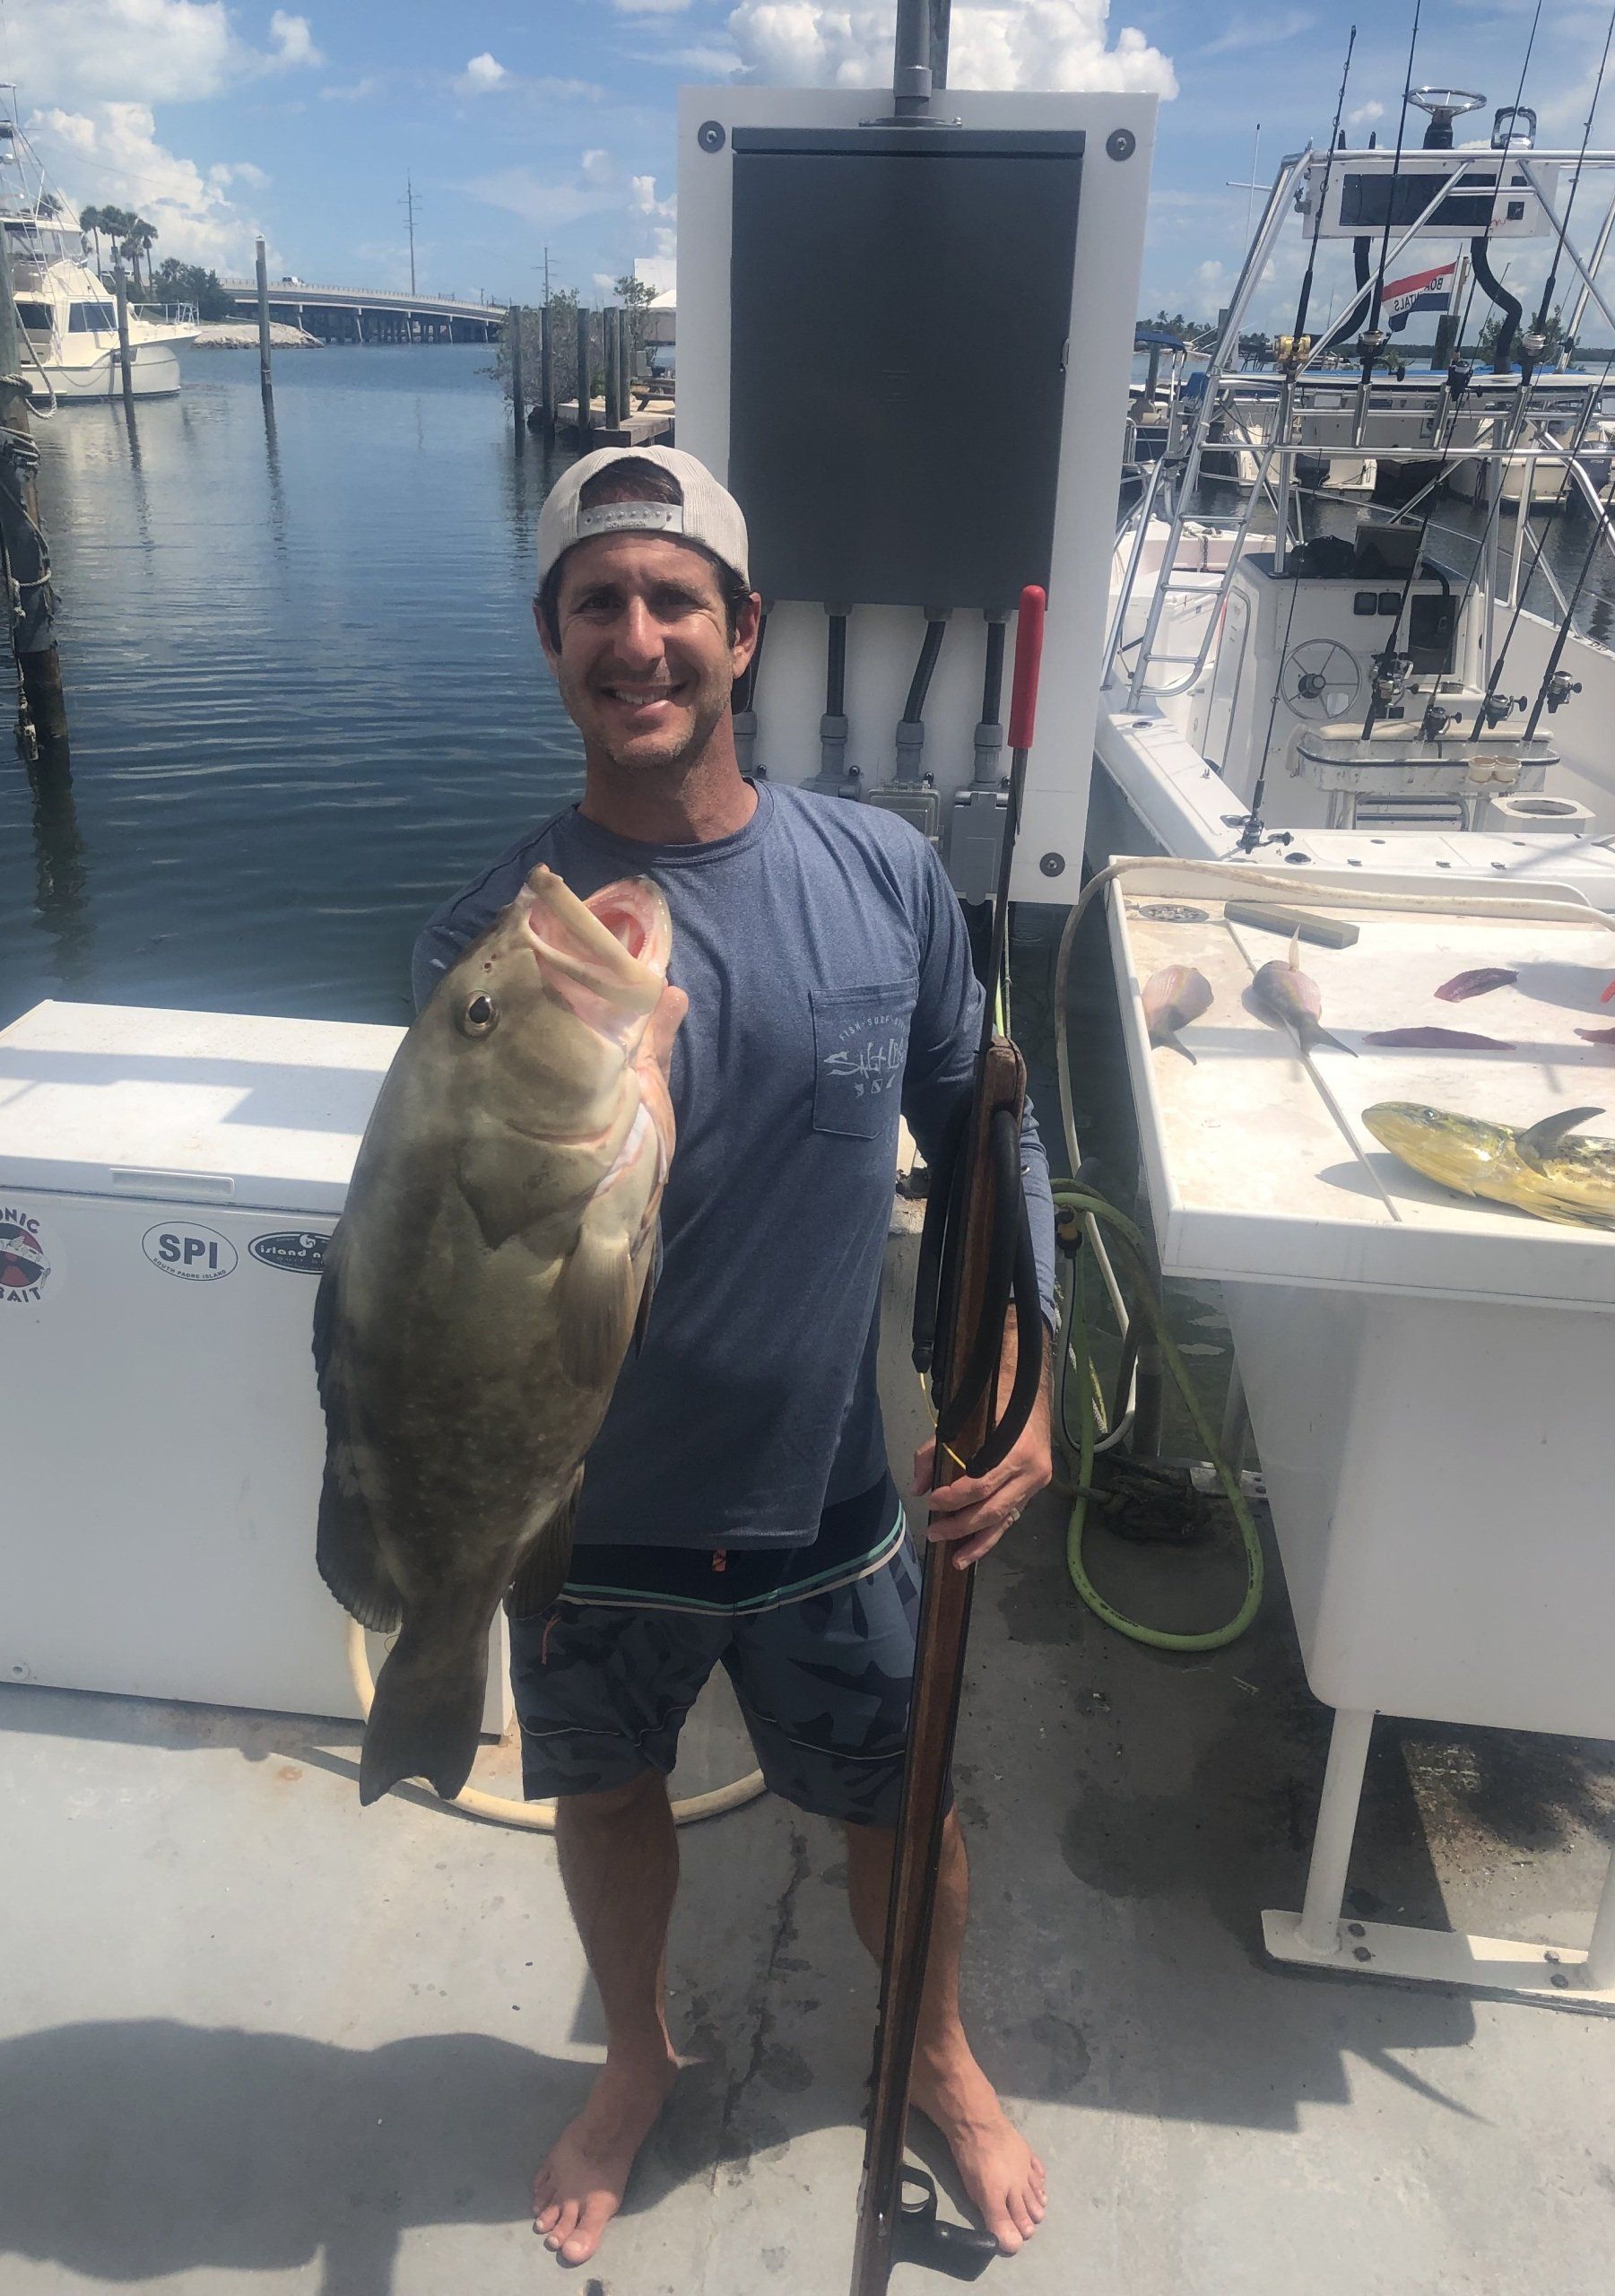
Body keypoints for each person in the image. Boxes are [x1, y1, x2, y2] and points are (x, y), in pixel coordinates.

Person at [412, 446, 1057, 2269]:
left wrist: (1030, 1375)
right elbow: (432, 1258)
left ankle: (933, 2050)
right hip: (583, 1511)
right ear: (552, 644)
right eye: (597, 604)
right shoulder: (485, 934)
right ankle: (637, 2052)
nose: (640, 638)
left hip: (832, 1497)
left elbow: (995, 1130)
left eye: (673, 598)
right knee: (606, 1795)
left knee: (895, 1801)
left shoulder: (887, 879)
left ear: (744, 630)